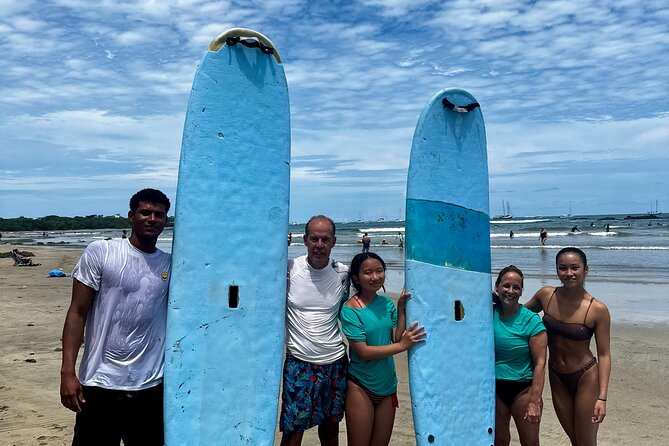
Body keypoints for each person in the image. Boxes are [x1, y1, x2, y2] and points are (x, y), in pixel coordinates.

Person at [60, 188, 172, 446]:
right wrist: (67, 372)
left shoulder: (170, 265)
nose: (152, 219)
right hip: (100, 384)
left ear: (166, 222)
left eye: (159, 214)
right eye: (145, 212)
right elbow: (77, 312)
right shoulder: (101, 252)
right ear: (131, 216)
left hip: (149, 388)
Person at [524, 247, 611, 446]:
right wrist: (496, 302)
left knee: (586, 442)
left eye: (575, 268)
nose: (569, 273)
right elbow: (520, 314)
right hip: (557, 376)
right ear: (556, 270)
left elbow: (604, 355)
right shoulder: (546, 295)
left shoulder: (597, 309)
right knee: (574, 439)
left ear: (585, 270)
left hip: (585, 377)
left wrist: (602, 398)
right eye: (563, 268)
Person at [340, 252, 426, 445]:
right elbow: (364, 352)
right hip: (361, 386)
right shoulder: (350, 309)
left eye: (379, 271)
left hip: (387, 386)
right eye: (368, 272)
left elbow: (396, 336)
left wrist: (402, 309)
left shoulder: (386, 303)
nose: (375, 277)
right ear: (356, 277)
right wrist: (401, 346)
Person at [280, 215, 350, 446]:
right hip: (299, 363)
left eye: (325, 240)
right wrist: (278, 248)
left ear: (334, 242)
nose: (319, 245)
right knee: (292, 432)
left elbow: (354, 308)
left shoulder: (342, 273)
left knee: (330, 431)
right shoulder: (288, 269)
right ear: (305, 240)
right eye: (314, 239)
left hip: (335, 363)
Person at [493, 265, 547, 446]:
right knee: (499, 440)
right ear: (497, 287)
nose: (511, 291)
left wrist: (535, 401)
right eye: (506, 286)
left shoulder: (531, 320)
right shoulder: (487, 313)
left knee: (530, 442)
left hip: (523, 389)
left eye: (516, 287)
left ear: (522, 291)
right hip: (494, 388)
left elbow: (540, 363)